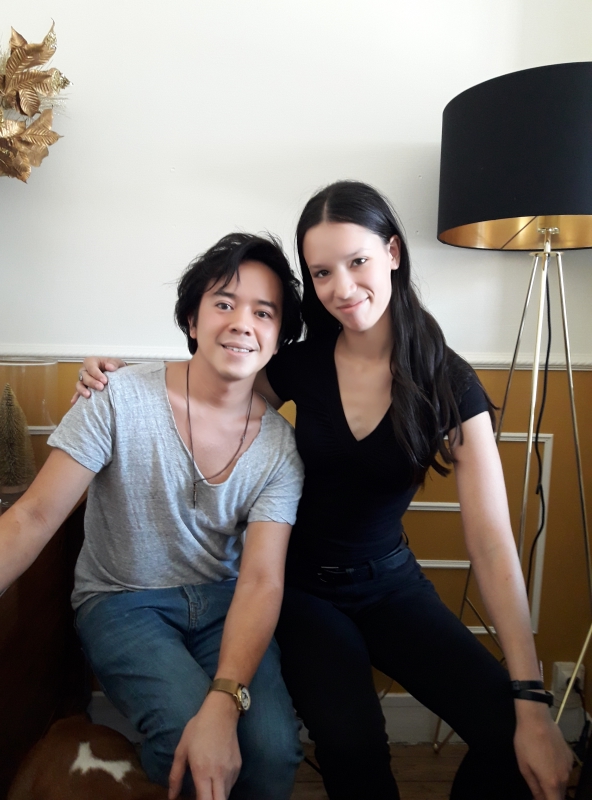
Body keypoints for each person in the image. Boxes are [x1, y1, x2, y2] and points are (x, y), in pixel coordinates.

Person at [77, 182, 573, 800]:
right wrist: (123, 379)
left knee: (509, 735)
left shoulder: (450, 383)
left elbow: (493, 543)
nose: (341, 287)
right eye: (321, 273)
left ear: (393, 252)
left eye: (357, 261)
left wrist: (531, 697)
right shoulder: (300, 364)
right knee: (354, 749)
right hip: (300, 589)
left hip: (390, 584)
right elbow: (209, 395)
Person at [0, 233, 305, 800]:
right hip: (122, 600)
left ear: (278, 338)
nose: (243, 323)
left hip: (225, 603)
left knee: (271, 751)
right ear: (192, 319)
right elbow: (34, 515)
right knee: (186, 742)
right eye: (224, 303)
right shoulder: (116, 396)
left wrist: (225, 700)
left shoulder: (279, 448)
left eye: (264, 312)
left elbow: (262, 579)